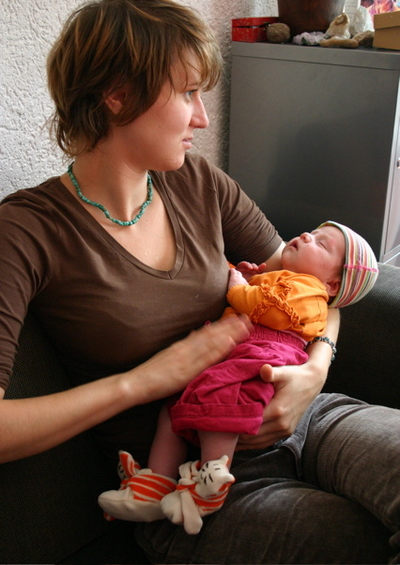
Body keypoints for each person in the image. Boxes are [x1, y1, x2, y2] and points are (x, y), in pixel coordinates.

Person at [0, 0, 398, 564]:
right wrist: (144, 381)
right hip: (189, 485)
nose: (203, 117)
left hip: (308, 417)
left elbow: (313, 285)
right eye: (188, 92)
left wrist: (314, 371)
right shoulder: (26, 229)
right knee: (356, 543)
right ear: (117, 95)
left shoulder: (198, 181)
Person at [98, 221, 379, 534]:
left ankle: (211, 479)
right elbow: (253, 296)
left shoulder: (309, 290)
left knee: (222, 404)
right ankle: (155, 484)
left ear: (332, 286)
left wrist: (238, 289)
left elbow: (270, 310)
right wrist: (247, 278)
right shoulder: (283, 277)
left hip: (264, 352)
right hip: (235, 350)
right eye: (312, 233)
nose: (305, 236)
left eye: (321, 244)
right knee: (173, 410)